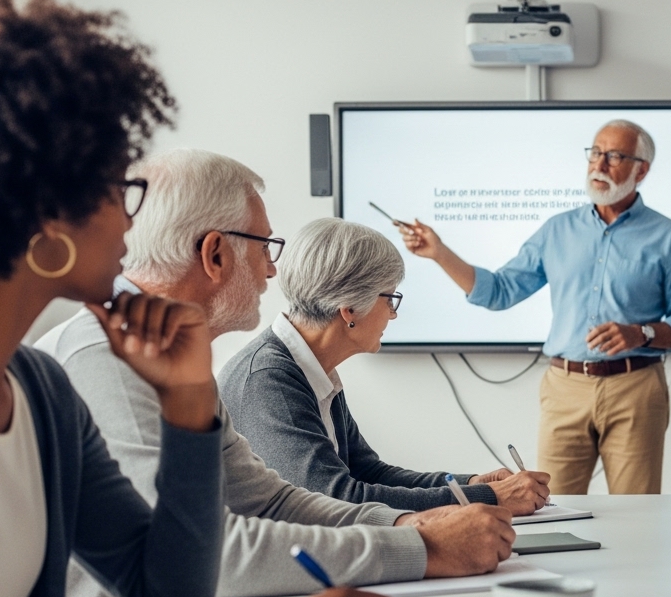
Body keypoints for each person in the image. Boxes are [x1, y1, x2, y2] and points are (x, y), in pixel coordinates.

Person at [0, 0, 395, 597]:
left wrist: (189, 407)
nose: (132, 215)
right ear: (41, 208)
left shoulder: (41, 393)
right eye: (120, 189)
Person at [36, 149, 516, 597]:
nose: (272, 270)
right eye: (266, 247)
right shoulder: (107, 359)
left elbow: (271, 502)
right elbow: (208, 555)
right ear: (215, 254)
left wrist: (407, 523)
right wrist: (421, 547)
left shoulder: (171, 353)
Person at [398, 120, 671, 494]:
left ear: (641, 169)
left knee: (636, 509)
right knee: (550, 506)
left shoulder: (670, 237)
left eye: (615, 156)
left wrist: (640, 332)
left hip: (636, 387)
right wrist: (439, 253)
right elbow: (500, 291)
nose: (600, 164)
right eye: (595, 152)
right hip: (565, 387)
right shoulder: (557, 230)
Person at [220, 218, 551, 514]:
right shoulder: (270, 379)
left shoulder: (310, 366)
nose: (393, 314)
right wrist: (487, 496)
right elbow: (337, 500)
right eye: (389, 298)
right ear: (349, 309)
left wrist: (472, 482)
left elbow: (368, 472)